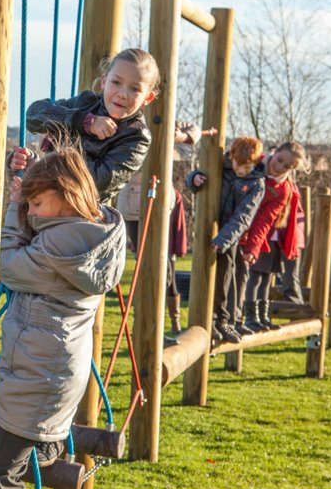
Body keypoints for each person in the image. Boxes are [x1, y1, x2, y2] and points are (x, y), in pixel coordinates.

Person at [0, 145, 126, 489]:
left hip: (38, 377)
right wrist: (25, 195)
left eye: (37, 205)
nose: (31, 213)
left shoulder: (62, 245)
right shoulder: (84, 233)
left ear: (65, 197)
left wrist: (7, 208)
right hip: (45, 373)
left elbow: (4, 262)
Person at [12, 48, 160, 203]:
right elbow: (33, 115)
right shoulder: (86, 102)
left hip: (82, 214)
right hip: (49, 199)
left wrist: (62, 139)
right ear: (104, 81)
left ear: (147, 97)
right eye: (116, 82)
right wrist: (83, 122)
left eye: (134, 89)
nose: (122, 93)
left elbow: (94, 181)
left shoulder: (136, 137)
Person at [115, 121, 202, 336]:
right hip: (135, 207)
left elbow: (195, 129)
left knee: (167, 266)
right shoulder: (131, 122)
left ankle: (173, 319)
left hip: (163, 204)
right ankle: (142, 319)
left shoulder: (165, 118)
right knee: (146, 264)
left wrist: (181, 136)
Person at [188, 136, 266, 344]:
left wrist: (223, 239)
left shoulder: (256, 183)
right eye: (238, 165)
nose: (241, 171)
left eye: (247, 167)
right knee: (204, 277)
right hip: (207, 230)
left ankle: (223, 321)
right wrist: (194, 179)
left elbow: (244, 216)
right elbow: (198, 177)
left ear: (256, 162)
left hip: (228, 237)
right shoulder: (219, 166)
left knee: (225, 280)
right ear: (231, 156)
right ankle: (207, 321)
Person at [236, 141, 309, 333]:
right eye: (280, 160)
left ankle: (262, 316)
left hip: (271, 235)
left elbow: (267, 218)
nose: (280, 167)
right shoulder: (255, 166)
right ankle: (249, 316)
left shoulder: (284, 187)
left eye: (287, 166)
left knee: (267, 276)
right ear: (275, 152)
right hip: (251, 233)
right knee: (254, 275)